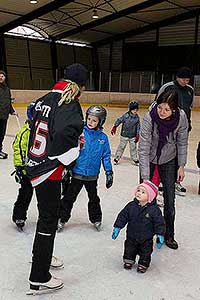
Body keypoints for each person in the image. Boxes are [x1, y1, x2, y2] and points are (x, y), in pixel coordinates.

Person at [25, 63, 88, 295]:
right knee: (48, 220)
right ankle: (39, 276)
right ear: (80, 86)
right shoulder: (69, 101)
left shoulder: (44, 98)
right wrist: (69, 155)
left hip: (35, 164)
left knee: (45, 218)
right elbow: (62, 133)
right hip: (48, 171)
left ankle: (42, 255)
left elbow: (33, 120)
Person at [139, 89, 188, 250]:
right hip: (150, 158)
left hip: (168, 160)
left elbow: (182, 142)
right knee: (144, 199)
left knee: (169, 200)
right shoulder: (149, 117)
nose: (162, 112)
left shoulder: (181, 118)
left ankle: (169, 235)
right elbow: (144, 147)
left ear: (174, 109)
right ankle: (144, 234)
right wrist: (145, 178)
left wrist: (181, 165)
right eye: (160, 107)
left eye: (167, 109)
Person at [58, 105, 113, 232]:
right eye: (89, 119)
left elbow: (106, 156)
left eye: (94, 120)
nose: (90, 122)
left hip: (92, 175)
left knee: (93, 198)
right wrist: (66, 167)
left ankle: (96, 219)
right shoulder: (79, 133)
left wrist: (109, 172)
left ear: (100, 121)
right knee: (69, 197)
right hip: (77, 173)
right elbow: (70, 150)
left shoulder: (103, 138)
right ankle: (61, 218)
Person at [112, 180, 165, 273]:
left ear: (150, 197)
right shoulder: (131, 206)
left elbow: (159, 223)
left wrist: (160, 234)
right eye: (138, 190)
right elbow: (123, 216)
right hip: (131, 235)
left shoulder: (154, 210)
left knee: (146, 252)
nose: (139, 193)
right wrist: (118, 227)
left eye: (143, 192)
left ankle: (143, 264)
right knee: (129, 249)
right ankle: (129, 260)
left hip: (146, 238)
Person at [156, 67, 193, 196]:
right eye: (183, 79)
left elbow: (188, 109)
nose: (185, 82)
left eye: (188, 79)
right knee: (164, 153)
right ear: (177, 77)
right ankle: (160, 181)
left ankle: (176, 182)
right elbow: (157, 106)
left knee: (179, 154)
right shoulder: (168, 87)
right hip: (167, 127)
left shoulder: (190, 90)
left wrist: (188, 124)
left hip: (182, 128)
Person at [12, 102, 35, 230]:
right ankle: (19, 216)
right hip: (27, 171)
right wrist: (19, 168)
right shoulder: (24, 132)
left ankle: (49, 217)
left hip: (41, 170)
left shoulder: (45, 131)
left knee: (46, 197)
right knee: (25, 194)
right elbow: (18, 149)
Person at [111, 101, 140, 165]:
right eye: (133, 110)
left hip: (133, 136)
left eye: (136, 110)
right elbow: (119, 120)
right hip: (124, 135)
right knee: (121, 147)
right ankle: (116, 158)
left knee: (133, 148)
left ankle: (135, 159)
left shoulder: (137, 118)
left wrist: (137, 135)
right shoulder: (126, 116)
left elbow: (138, 127)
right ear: (130, 109)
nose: (135, 111)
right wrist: (115, 126)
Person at [0, 70, 17, 159]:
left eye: (2, 76)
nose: (1, 77)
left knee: (2, 134)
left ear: (5, 78)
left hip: (4, 115)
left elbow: (8, 101)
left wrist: (12, 111)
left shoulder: (7, 89)